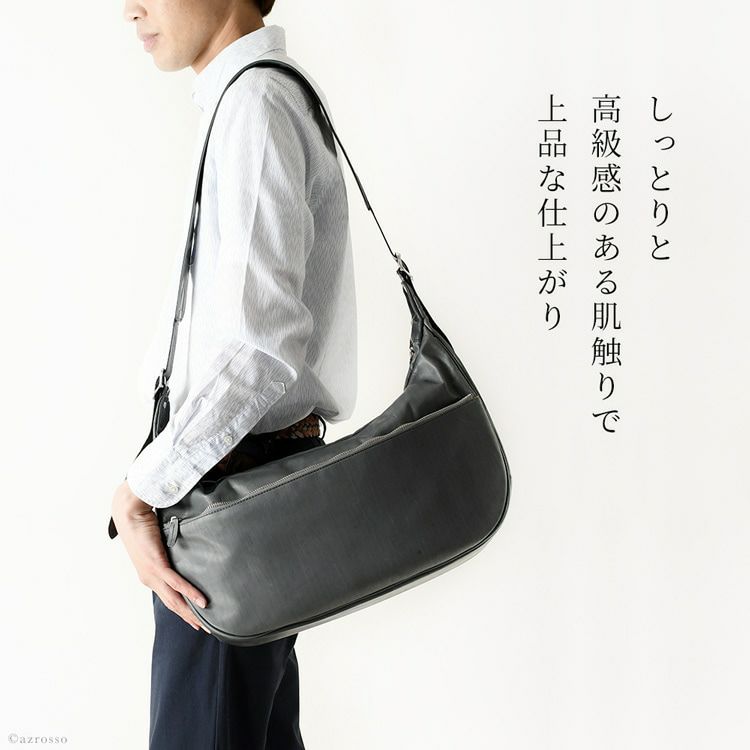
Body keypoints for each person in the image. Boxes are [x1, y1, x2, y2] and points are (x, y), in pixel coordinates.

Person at [111, 2, 357, 747]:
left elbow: (261, 345)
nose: (131, 8)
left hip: (228, 497)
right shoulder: (253, 97)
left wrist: (142, 491)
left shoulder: (256, 102)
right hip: (242, 491)